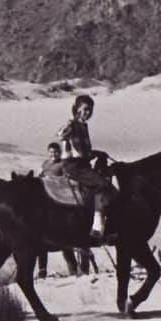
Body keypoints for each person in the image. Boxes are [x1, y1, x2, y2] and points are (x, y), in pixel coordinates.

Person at [56, 93, 117, 242]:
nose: (87, 113)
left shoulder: (83, 126)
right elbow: (60, 135)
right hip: (73, 166)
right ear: (77, 109)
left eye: (89, 110)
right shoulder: (73, 124)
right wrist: (69, 125)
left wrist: (95, 153)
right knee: (102, 184)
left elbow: (84, 150)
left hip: (83, 165)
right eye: (84, 109)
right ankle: (97, 228)